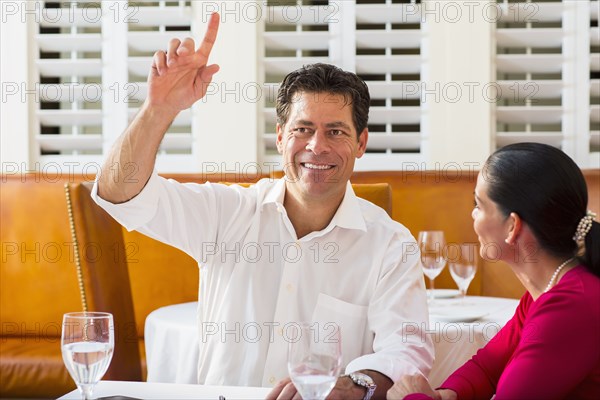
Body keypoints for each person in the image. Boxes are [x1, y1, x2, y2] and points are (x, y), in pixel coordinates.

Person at [92, 13, 433, 400]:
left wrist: (355, 384)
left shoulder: (390, 244)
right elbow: (119, 194)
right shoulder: (226, 213)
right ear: (279, 138)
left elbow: (407, 350)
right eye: (302, 129)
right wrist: (158, 109)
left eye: (335, 131)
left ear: (361, 143)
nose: (316, 146)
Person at [387, 143, 600, 400]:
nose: (472, 214)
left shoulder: (570, 306)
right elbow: (487, 368)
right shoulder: (547, 290)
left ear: (512, 226)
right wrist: (443, 396)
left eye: (478, 205)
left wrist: (411, 398)